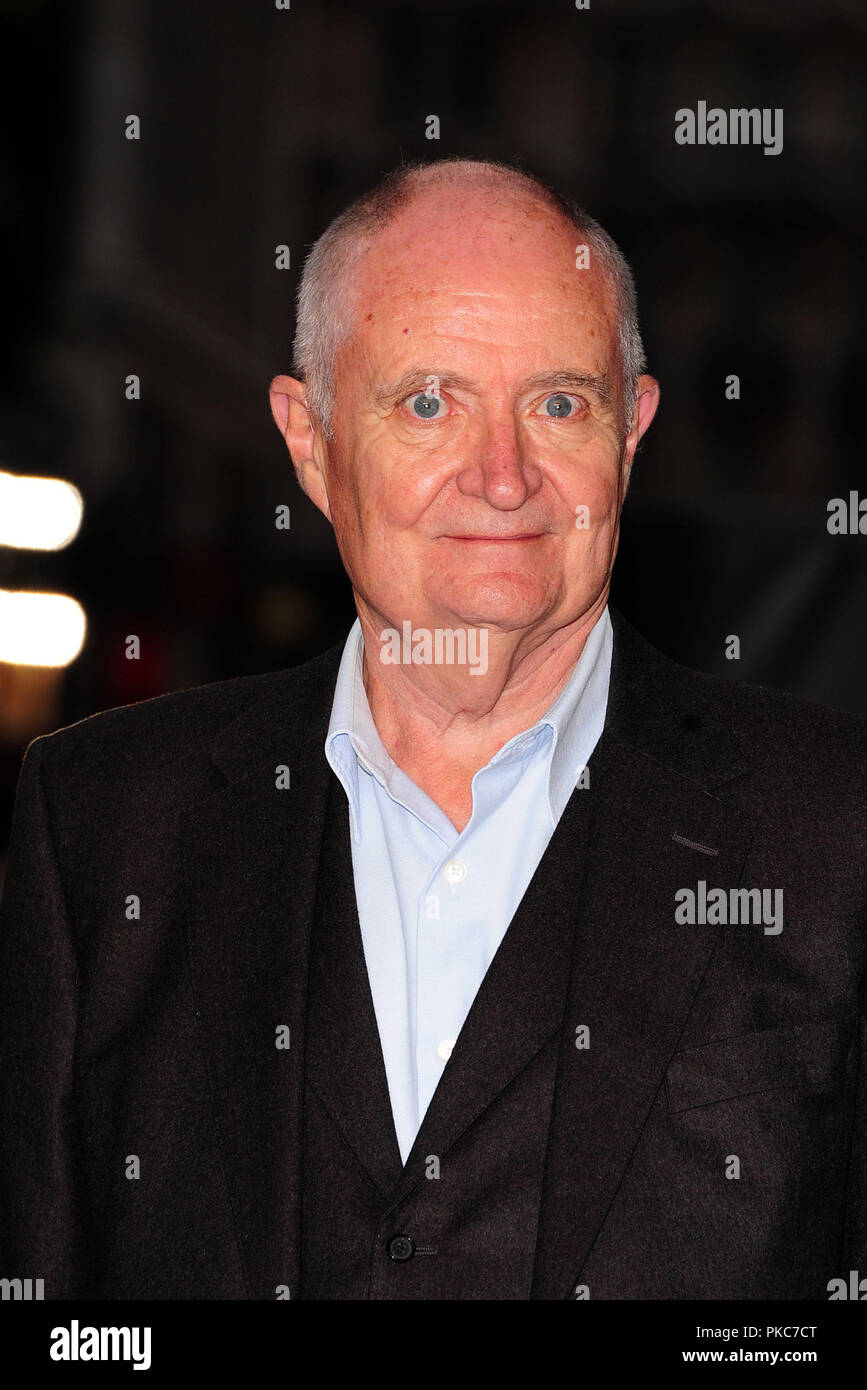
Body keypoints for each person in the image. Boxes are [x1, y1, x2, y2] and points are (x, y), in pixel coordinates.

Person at [1, 158, 864, 1300]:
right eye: (426, 403)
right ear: (309, 443)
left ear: (633, 431)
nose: (503, 478)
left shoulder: (837, 832)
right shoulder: (103, 824)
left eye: (559, 403)